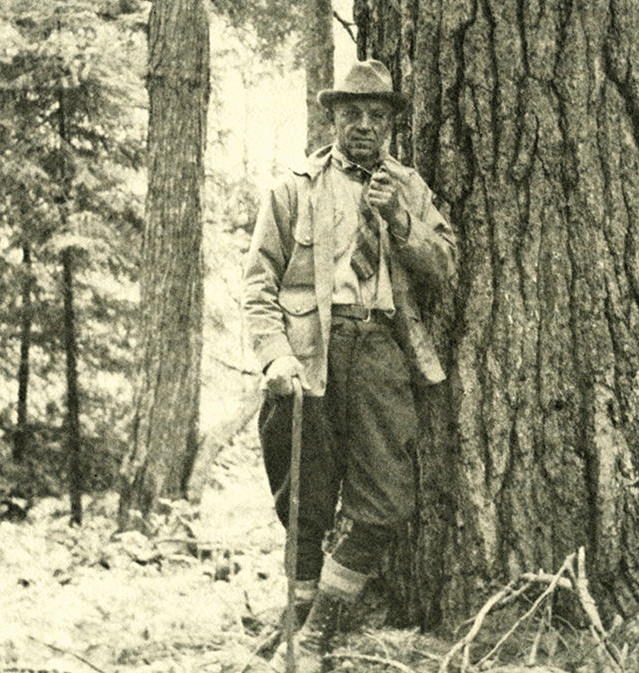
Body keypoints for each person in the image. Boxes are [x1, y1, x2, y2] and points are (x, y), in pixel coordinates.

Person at [242, 59, 457, 672]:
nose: (364, 126)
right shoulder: (294, 188)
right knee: (303, 495)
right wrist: (275, 355)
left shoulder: (408, 187)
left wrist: (400, 221)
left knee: (386, 499)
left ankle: (317, 627)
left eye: (377, 115)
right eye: (351, 114)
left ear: (391, 123)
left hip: (383, 351)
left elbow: (444, 266)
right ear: (332, 117)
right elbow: (258, 284)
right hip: (309, 353)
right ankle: (301, 623)